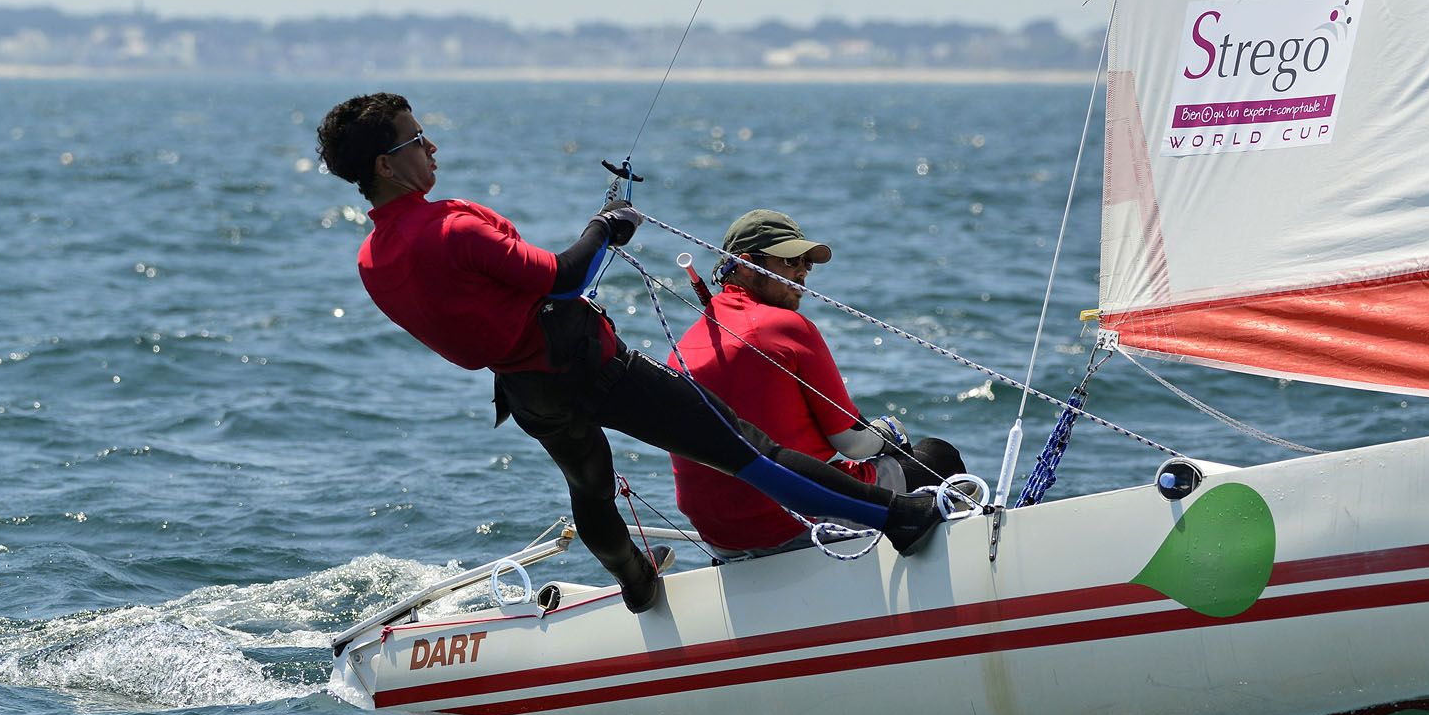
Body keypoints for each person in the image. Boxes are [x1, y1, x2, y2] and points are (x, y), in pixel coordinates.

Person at [314, 94, 944, 611]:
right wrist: (606, 226)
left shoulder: (371, 259)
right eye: (416, 140)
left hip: (528, 393)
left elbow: (496, 310)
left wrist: (593, 247)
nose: (431, 148)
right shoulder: (450, 228)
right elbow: (565, 278)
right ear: (386, 166)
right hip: (593, 369)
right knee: (751, 452)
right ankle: (898, 518)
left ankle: (637, 583)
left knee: (590, 491)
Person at [669, 209, 964, 557]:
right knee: (937, 458)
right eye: (790, 260)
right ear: (746, 265)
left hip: (720, 538)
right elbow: (853, 444)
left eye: (807, 263)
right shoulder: (784, 326)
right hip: (793, 523)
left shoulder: (680, 348)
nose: (803, 272)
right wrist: (890, 432)